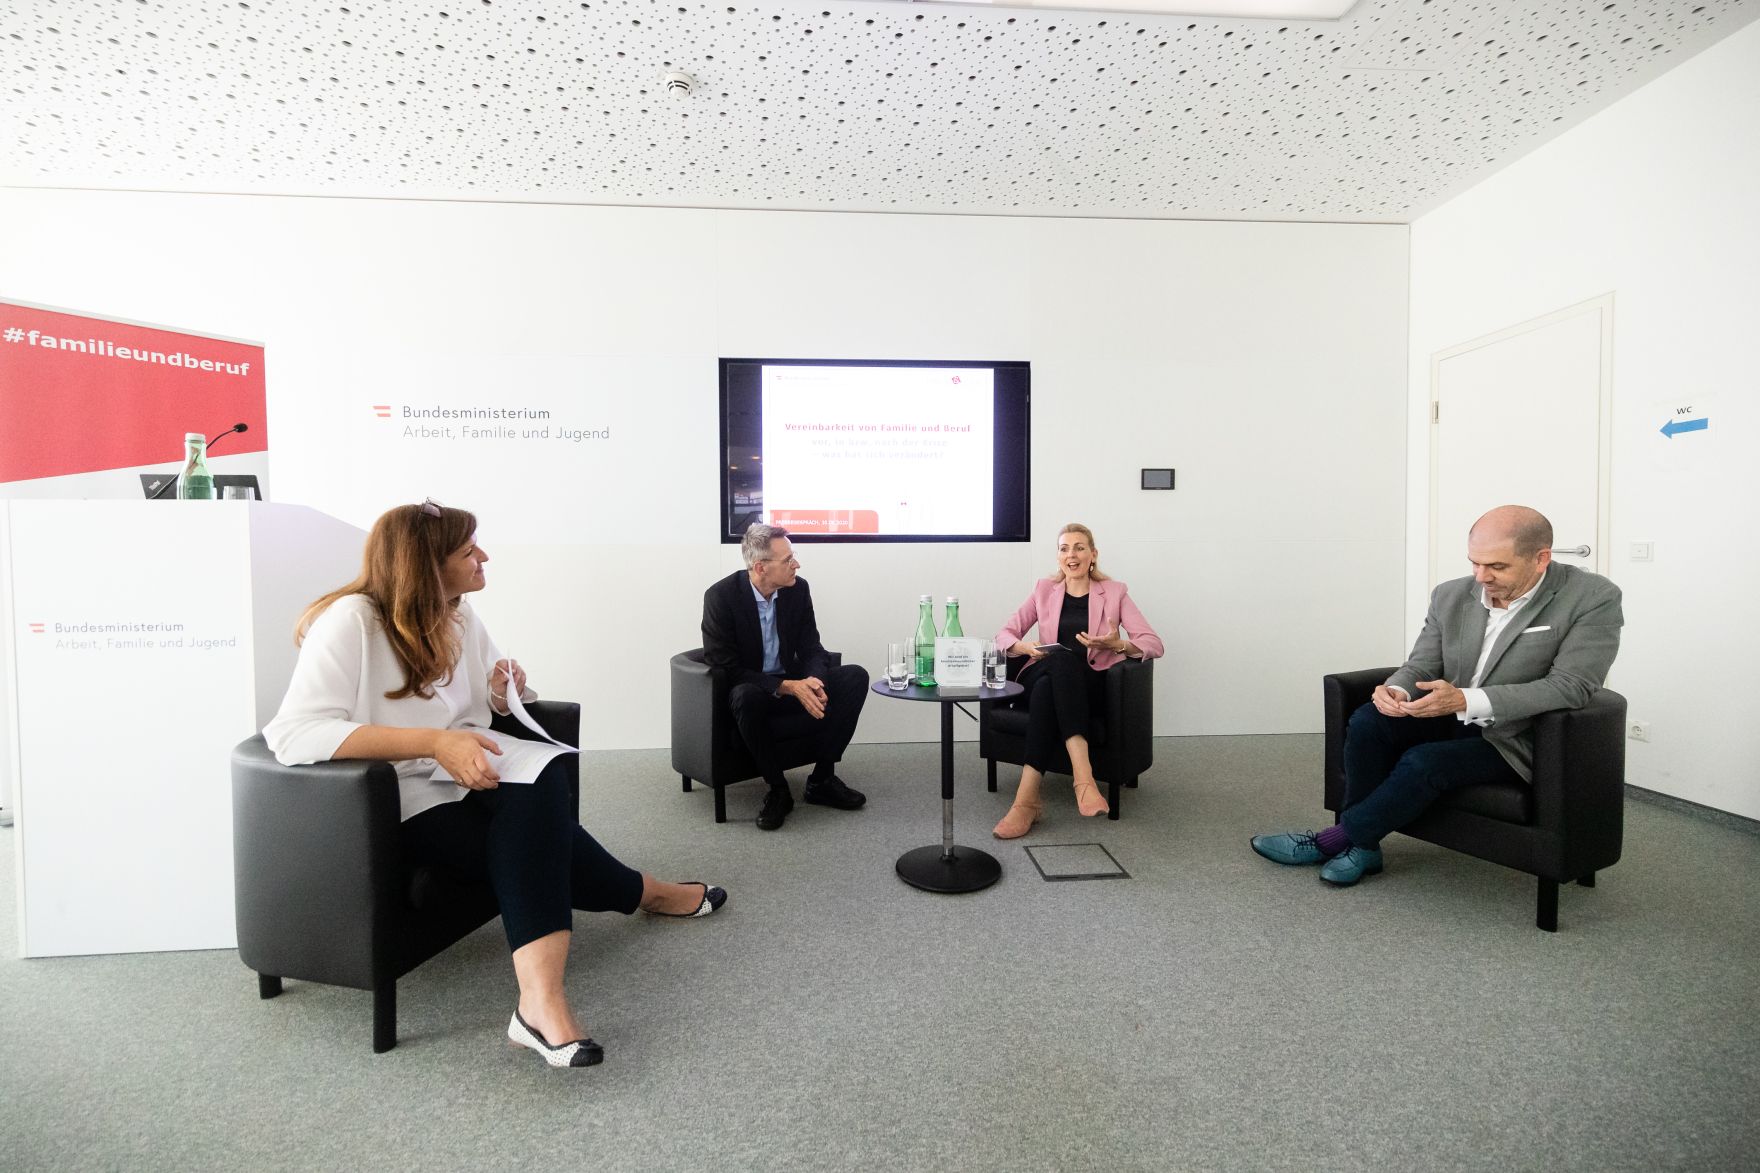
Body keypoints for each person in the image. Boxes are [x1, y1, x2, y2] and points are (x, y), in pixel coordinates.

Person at [264, 500, 725, 1070]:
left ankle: (574, 966)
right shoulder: (351, 621)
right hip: (394, 802)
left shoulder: (457, 615)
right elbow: (295, 733)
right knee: (538, 829)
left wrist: (504, 694)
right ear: (424, 565)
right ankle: (566, 977)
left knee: (542, 785)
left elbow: (474, 704)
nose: (483, 557)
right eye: (467, 551)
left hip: (465, 776)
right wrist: (434, 744)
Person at [1252, 504, 1623, 886]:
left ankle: (1337, 840)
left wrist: (1466, 699)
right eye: (1475, 563)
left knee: (1424, 762)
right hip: (1447, 714)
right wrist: (1395, 688)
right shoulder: (1451, 595)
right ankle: (1364, 848)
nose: (1481, 577)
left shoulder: (1591, 597)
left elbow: (1572, 685)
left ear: (1541, 558)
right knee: (1368, 721)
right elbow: (1423, 665)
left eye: (1497, 566)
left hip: (1519, 734)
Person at [991, 523, 1164, 838]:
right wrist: (1023, 647)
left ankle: (1026, 802)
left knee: (1050, 687)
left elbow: (1154, 643)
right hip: (1040, 670)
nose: (1071, 554)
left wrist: (1118, 645)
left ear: (1093, 555)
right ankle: (1083, 778)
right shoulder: (1044, 589)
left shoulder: (1114, 593)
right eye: (1064, 548)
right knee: (1059, 661)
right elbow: (1004, 634)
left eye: (1079, 547)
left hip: (1087, 686)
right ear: (1058, 557)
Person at [701, 523, 870, 831]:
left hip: (792, 686)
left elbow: (811, 647)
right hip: (754, 692)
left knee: (855, 677)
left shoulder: (797, 589)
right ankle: (778, 790)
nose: (797, 564)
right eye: (788, 559)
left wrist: (813, 682)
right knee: (744, 695)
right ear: (760, 567)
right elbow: (727, 668)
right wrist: (788, 686)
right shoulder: (720, 597)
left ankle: (822, 779)